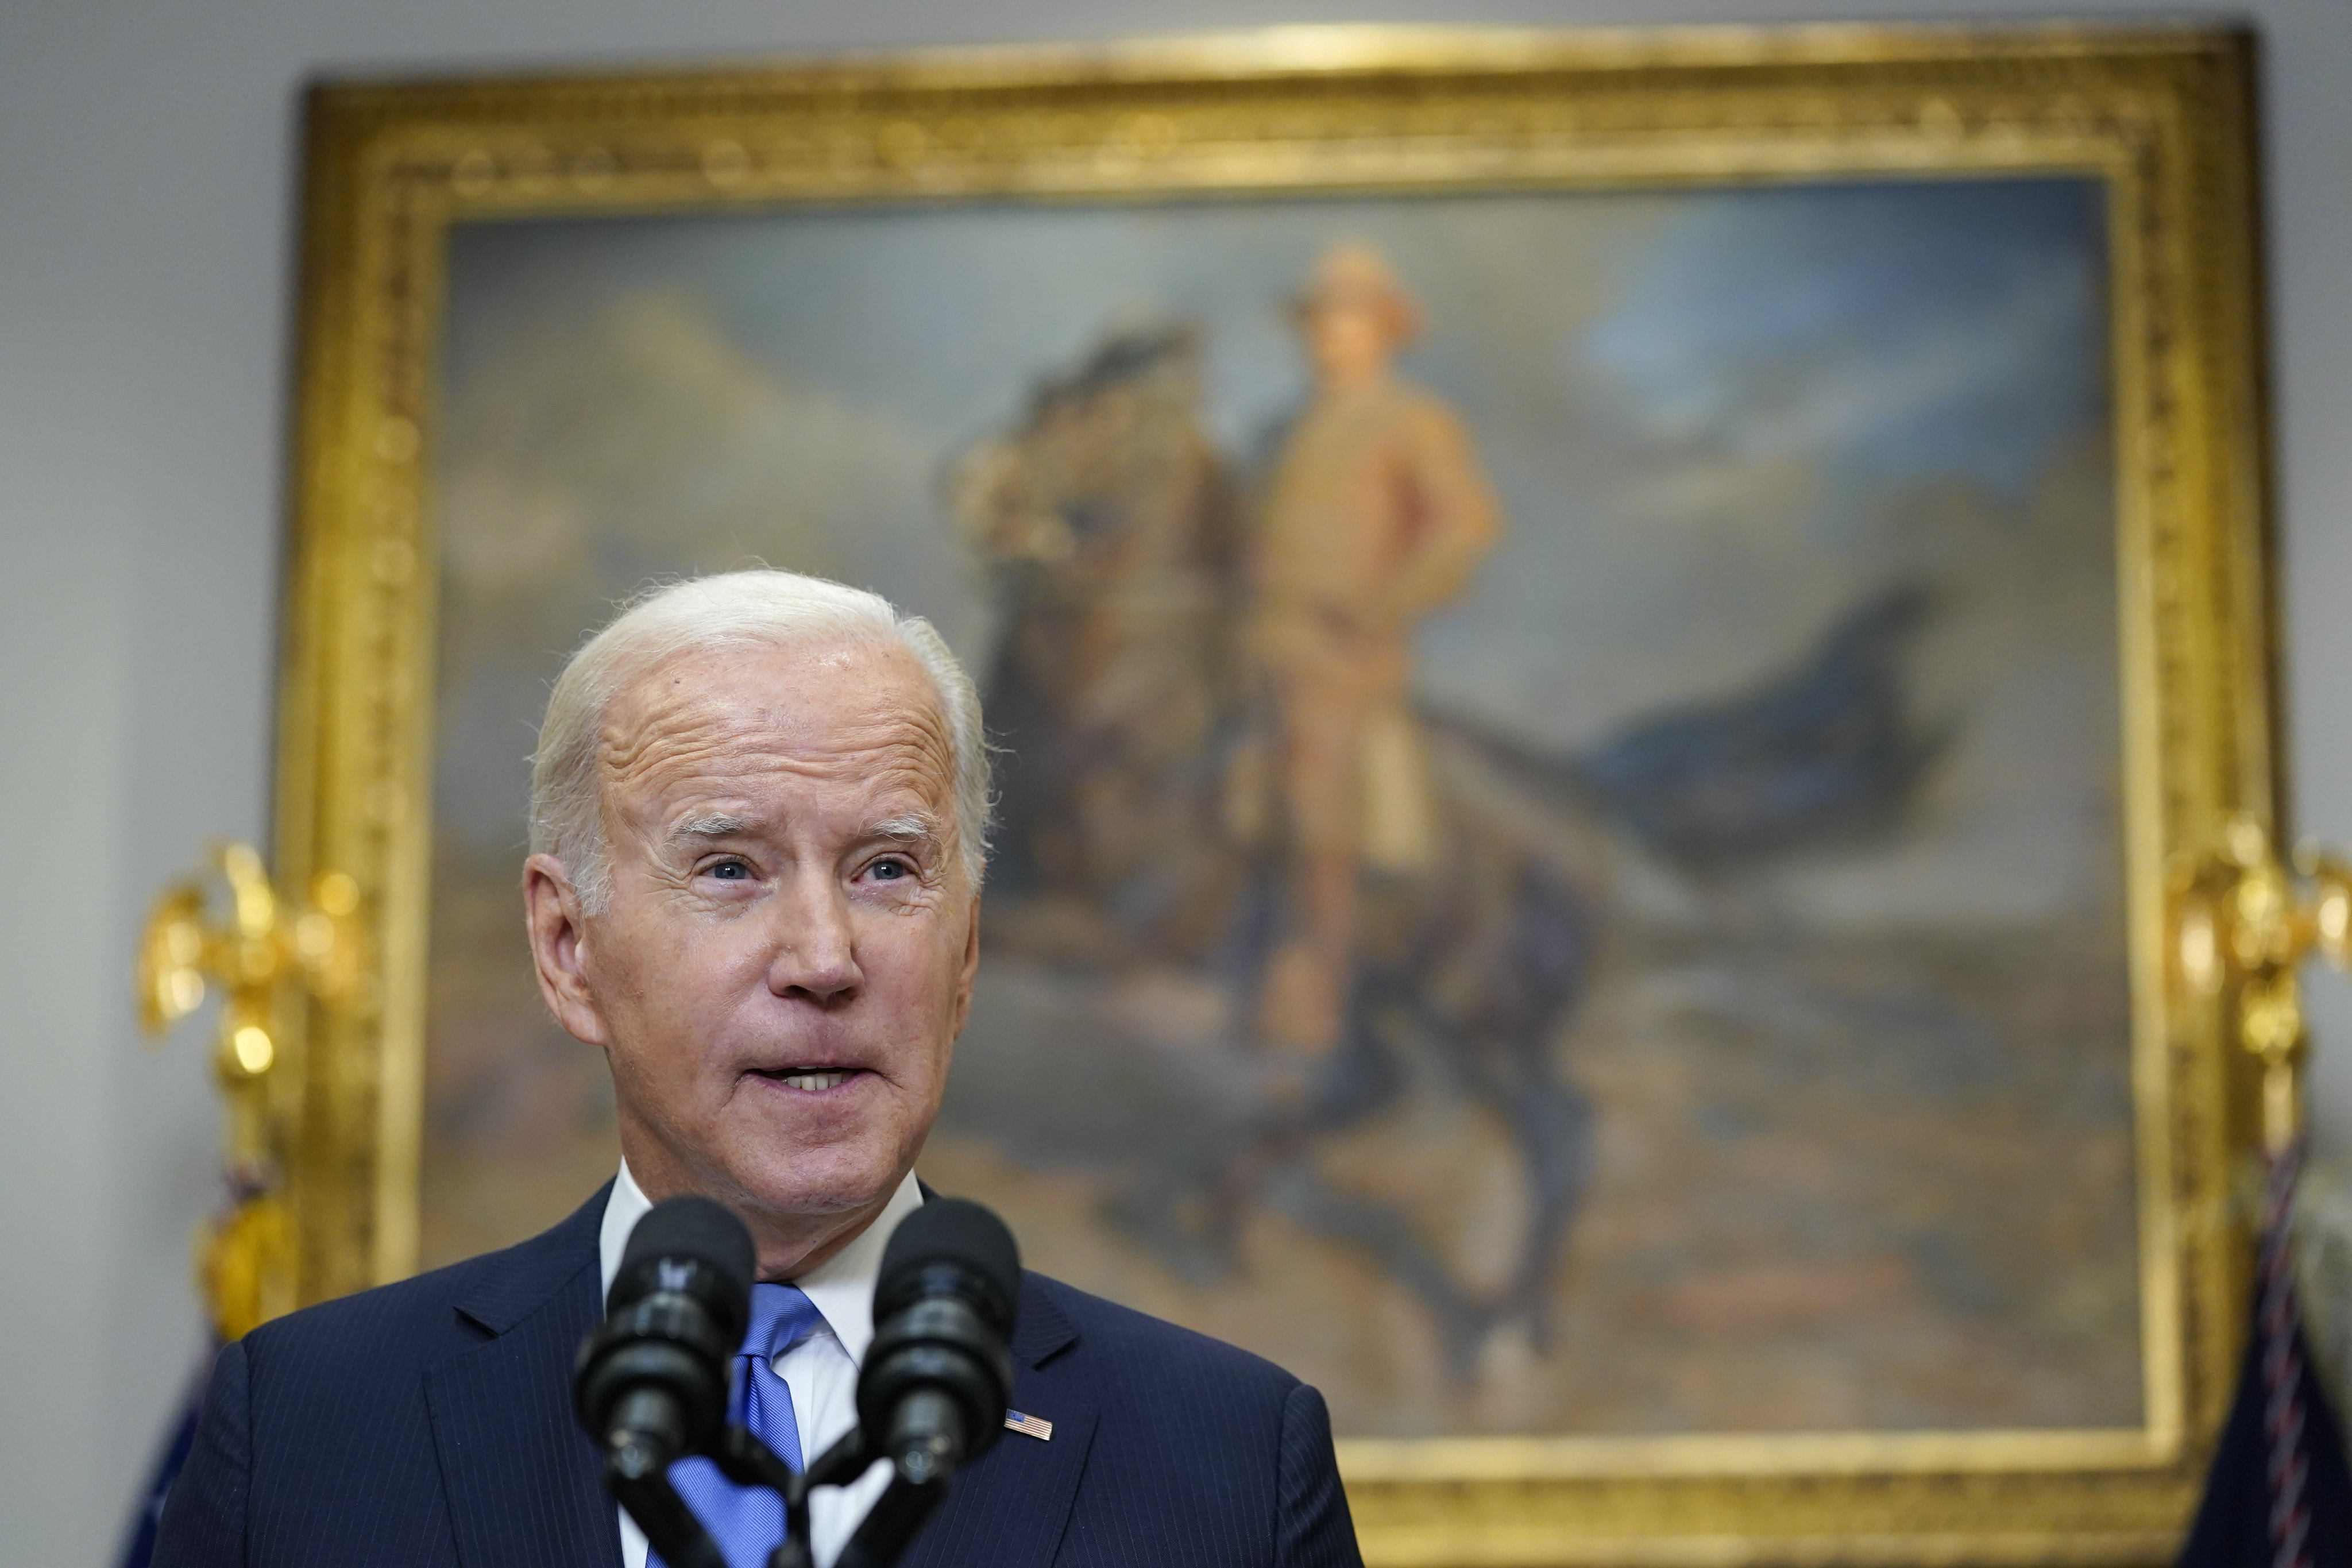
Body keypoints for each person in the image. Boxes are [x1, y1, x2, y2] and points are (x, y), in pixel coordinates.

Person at [153, 570, 1361, 1568]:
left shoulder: (1229, 1465)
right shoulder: (308, 1430)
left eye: (887, 869)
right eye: (729, 869)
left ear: (967, 950)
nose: (826, 959)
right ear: (567, 948)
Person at [1248, 242, 1504, 1055]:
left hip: (1342, 656)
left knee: (1315, 786)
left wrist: (1380, 604)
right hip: (1258, 642)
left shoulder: (1412, 419)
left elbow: (1466, 525)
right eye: (1321, 319)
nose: (1332, 335)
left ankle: (1318, 982)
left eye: (1350, 319)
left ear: (1385, 331)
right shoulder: (1285, 431)